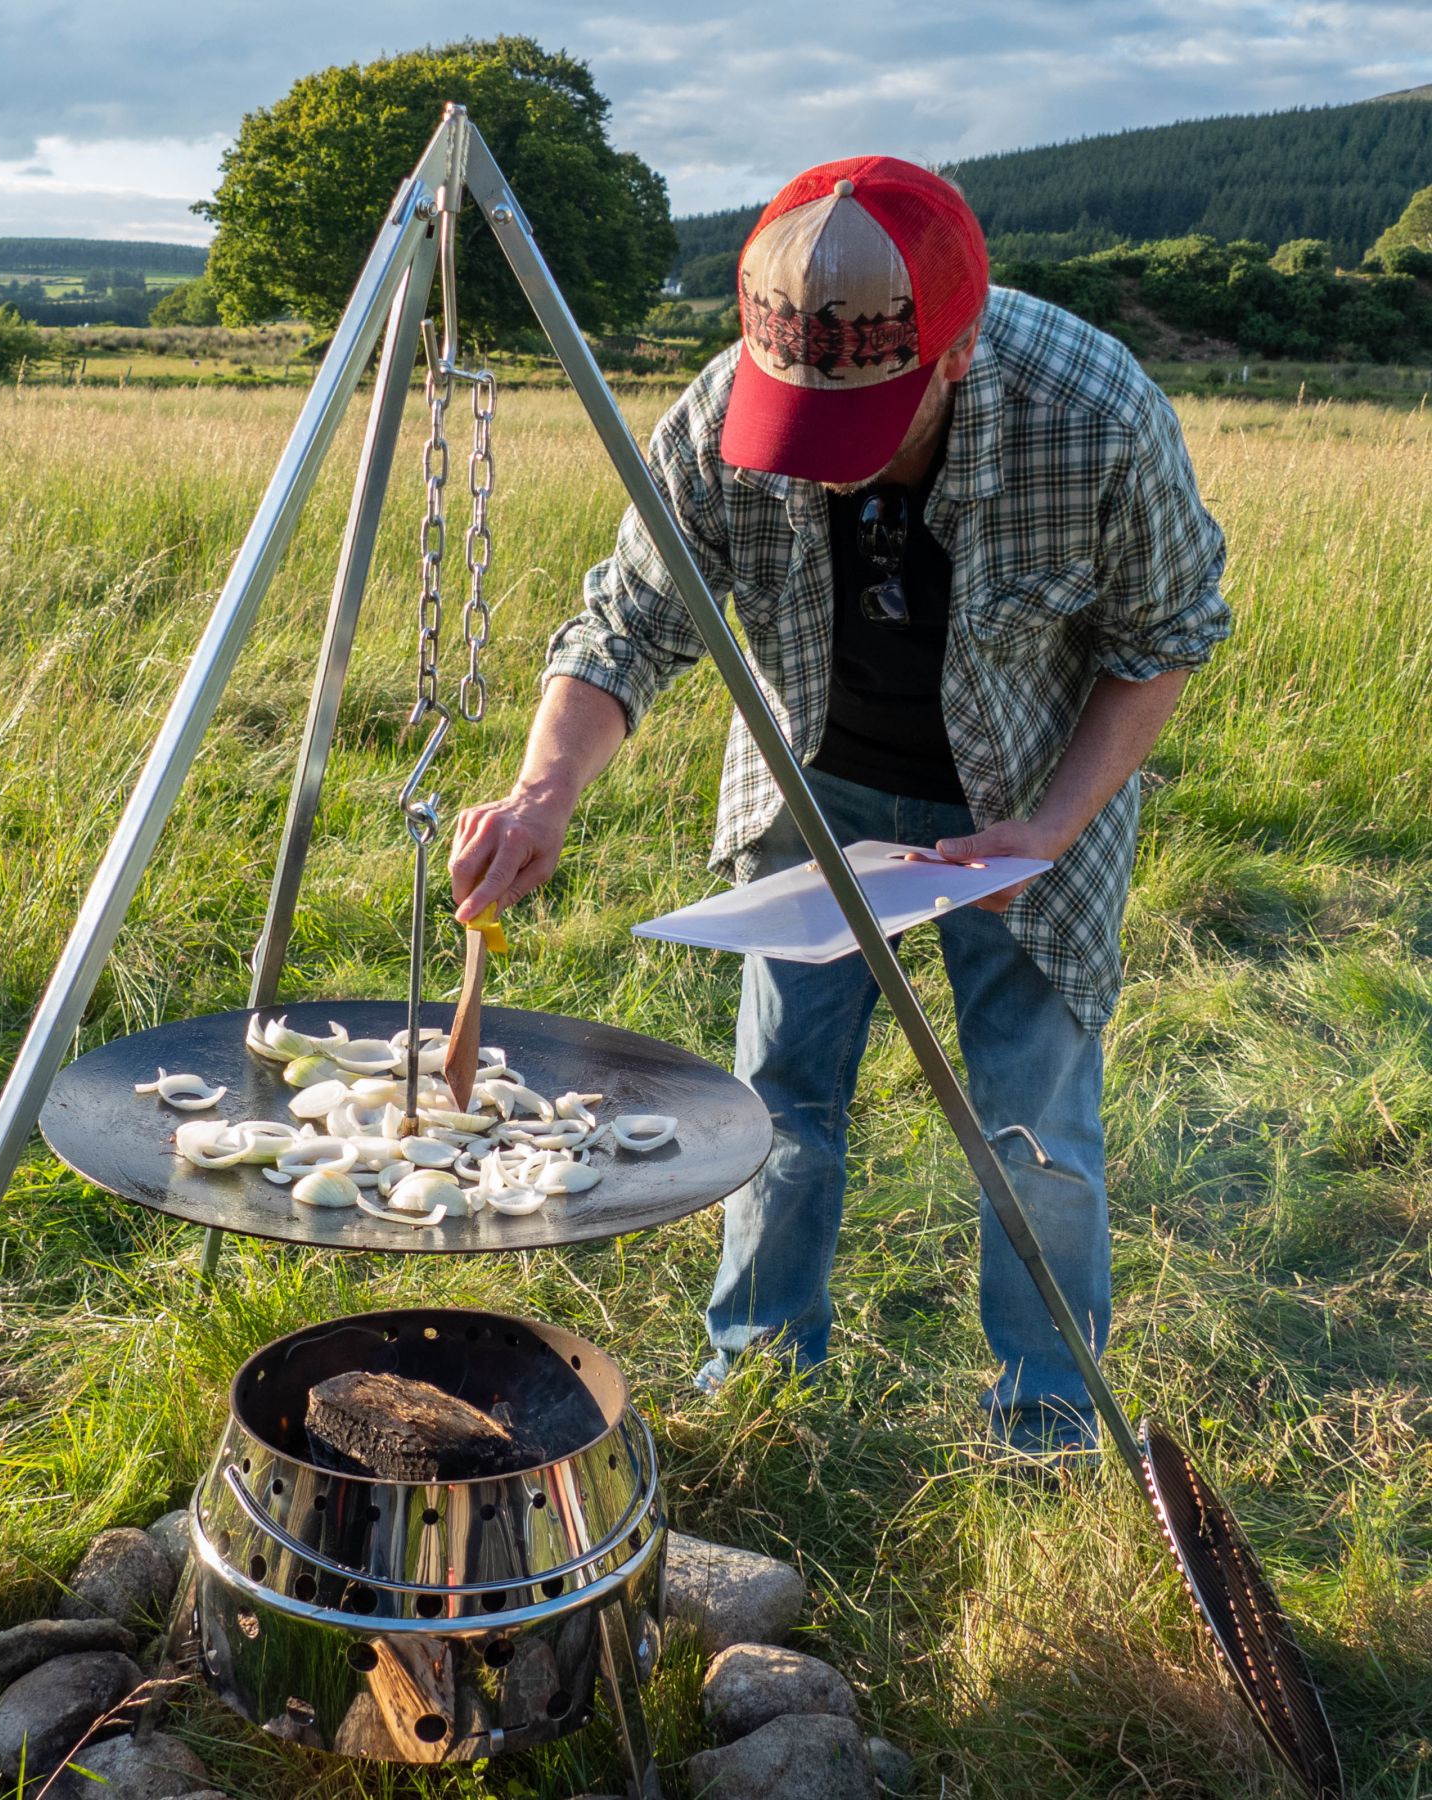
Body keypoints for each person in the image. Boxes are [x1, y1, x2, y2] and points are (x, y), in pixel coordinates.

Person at [446, 155, 1228, 1455]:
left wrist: (1047, 831)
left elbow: (1166, 634)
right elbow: (629, 623)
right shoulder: (714, 416)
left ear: (956, 353)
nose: (824, 474)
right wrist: (541, 792)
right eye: (797, 428)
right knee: (779, 1102)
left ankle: (1049, 1421)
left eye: (858, 434)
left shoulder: (1093, 410)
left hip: (1030, 812)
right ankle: (758, 1378)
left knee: (1035, 1130)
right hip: (812, 795)